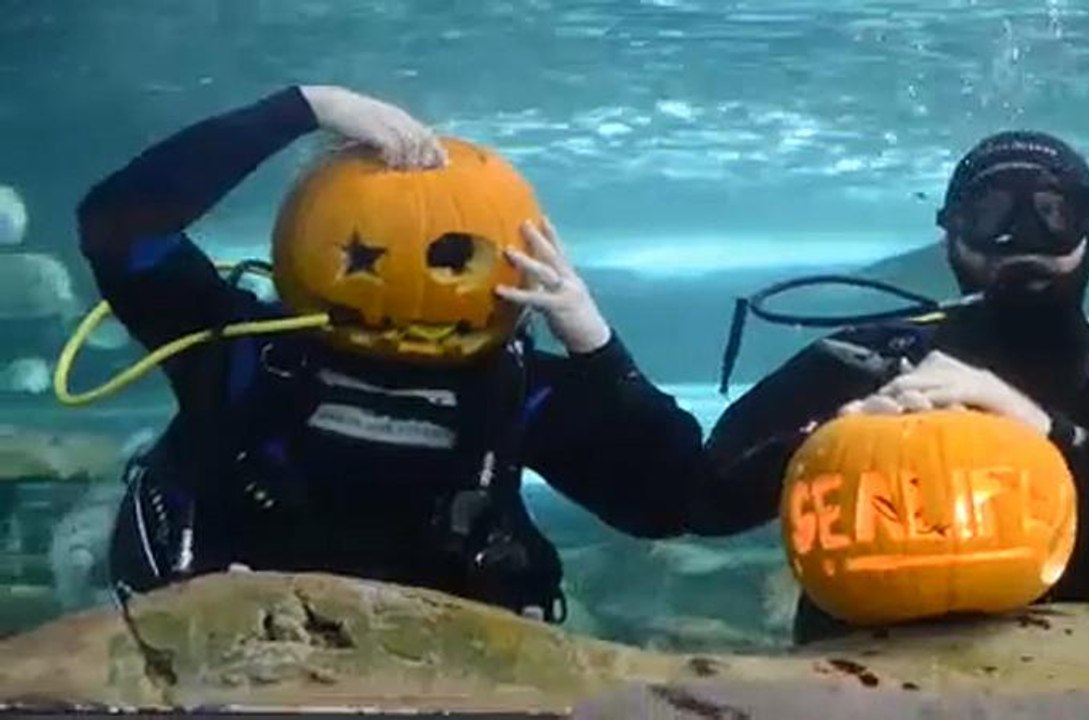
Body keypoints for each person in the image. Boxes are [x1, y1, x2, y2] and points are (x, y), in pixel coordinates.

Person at [76, 85, 701, 623]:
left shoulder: (513, 390)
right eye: (366, 255)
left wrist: (595, 344)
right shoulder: (241, 353)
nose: (432, 287)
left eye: (457, 261)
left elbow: (667, 502)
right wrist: (303, 108)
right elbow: (118, 224)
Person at [688, 131, 1089, 643]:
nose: (1022, 240)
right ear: (951, 236)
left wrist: (1042, 430)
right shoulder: (864, 363)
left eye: (1052, 213)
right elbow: (705, 500)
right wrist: (828, 440)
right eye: (989, 217)